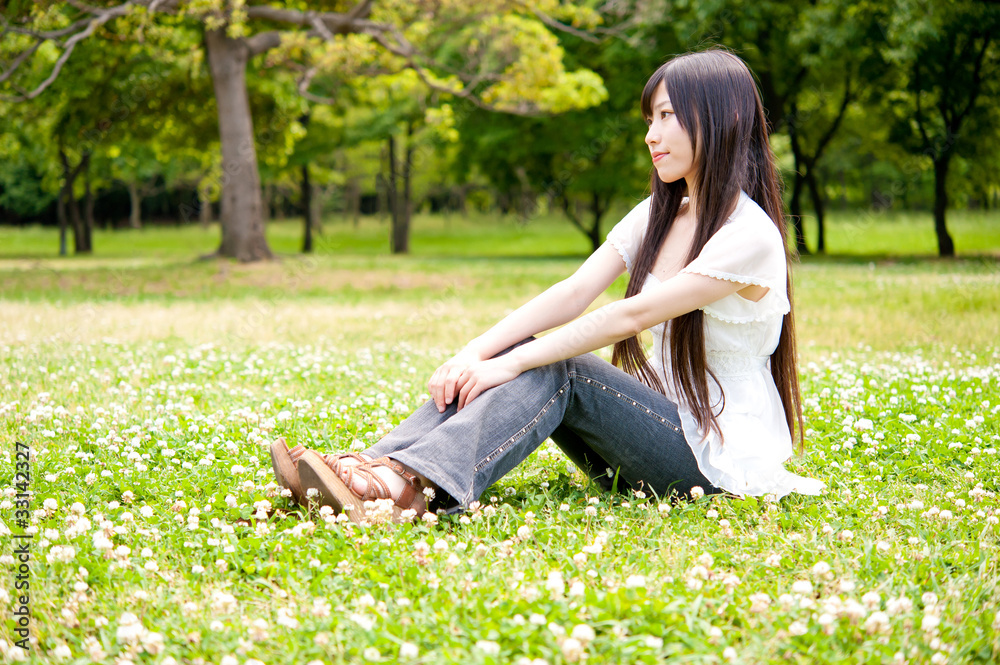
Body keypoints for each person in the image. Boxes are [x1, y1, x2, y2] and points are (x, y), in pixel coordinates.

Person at [270, 49, 825, 525]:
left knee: (560, 364)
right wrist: (478, 352)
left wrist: (512, 364)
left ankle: (399, 488)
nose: (651, 136)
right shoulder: (663, 213)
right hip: (655, 434)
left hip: (714, 464)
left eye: (667, 116)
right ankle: (374, 471)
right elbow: (573, 291)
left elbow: (627, 317)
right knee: (517, 351)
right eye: (648, 120)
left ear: (724, 116)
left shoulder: (748, 235)